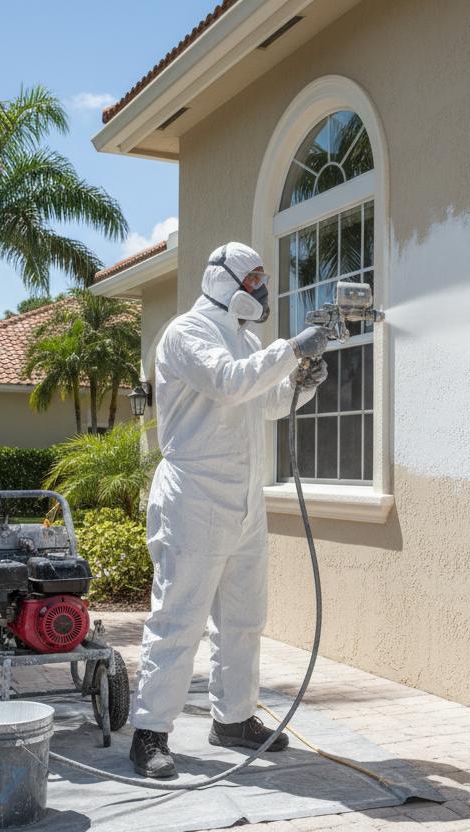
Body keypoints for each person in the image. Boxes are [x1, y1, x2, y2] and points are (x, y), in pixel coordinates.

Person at [129, 241, 330, 778]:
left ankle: (234, 719)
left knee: (243, 617)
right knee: (179, 616)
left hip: (244, 498)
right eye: (254, 277)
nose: (262, 288)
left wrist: (298, 387)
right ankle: (150, 733)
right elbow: (228, 381)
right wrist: (290, 350)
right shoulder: (186, 333)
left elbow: (261, 401)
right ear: (224, 279)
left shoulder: (245, 337)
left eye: (264, 277)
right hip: (194, 493)